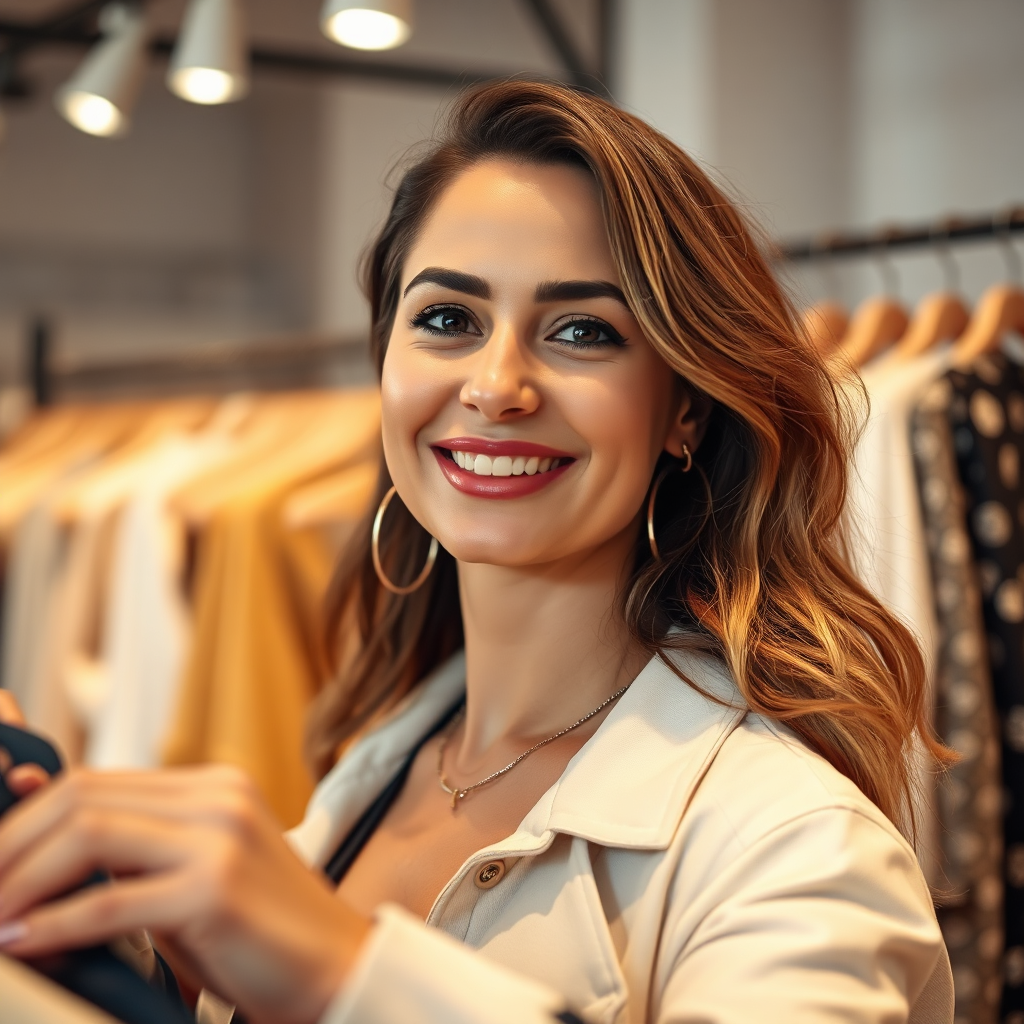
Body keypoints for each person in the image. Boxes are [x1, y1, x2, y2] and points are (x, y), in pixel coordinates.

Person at [0, 80, 953, 1024]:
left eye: (582, 331)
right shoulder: (388, 759)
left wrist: (340, 972)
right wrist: (125, 951)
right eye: (448, 319)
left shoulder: (796, 850)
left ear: (686, 412)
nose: (497, 386)